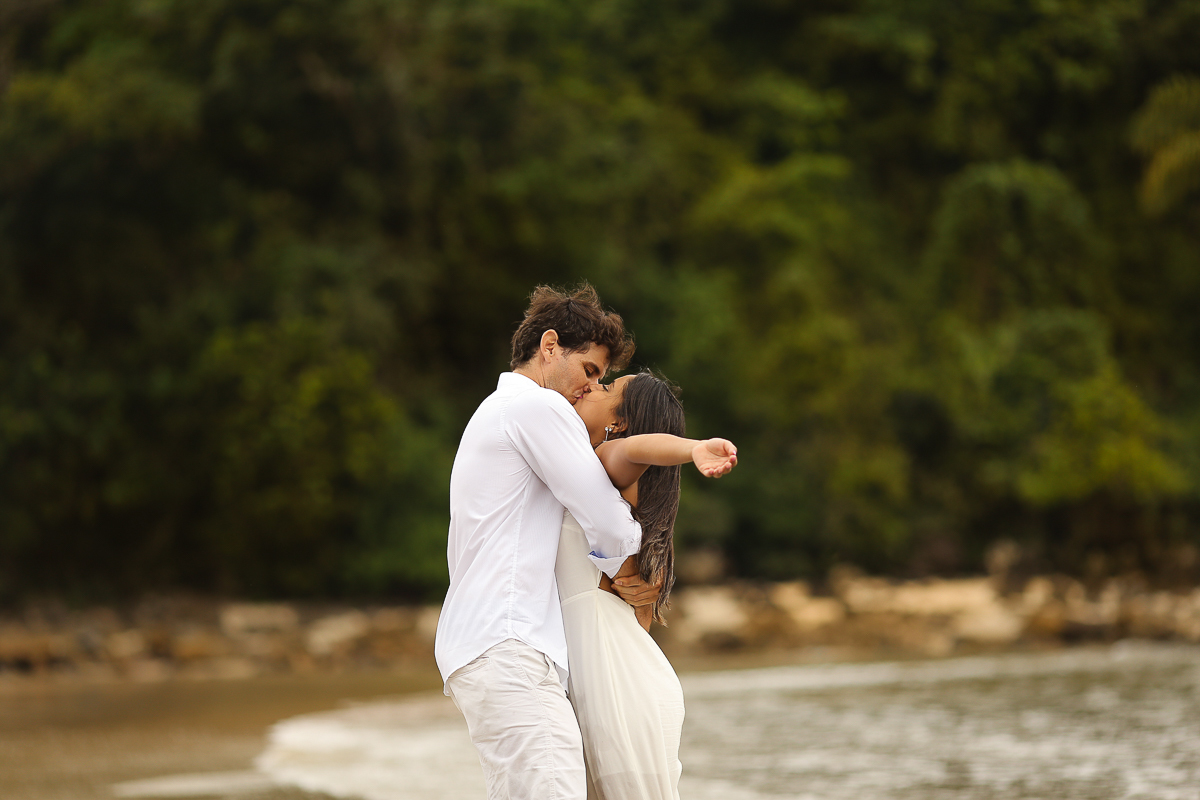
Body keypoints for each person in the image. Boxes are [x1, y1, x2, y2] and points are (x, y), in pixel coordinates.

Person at [434, 284, 660, 800]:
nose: (590, 388)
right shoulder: (536, 408)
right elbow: (605, 520)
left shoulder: (495, 411)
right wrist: (630, 556)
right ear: (550, 346)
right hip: (508, 641)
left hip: (488, 643)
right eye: (590, 372)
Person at [559, 371, 737, 799]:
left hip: (614, 680)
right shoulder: (589, 476)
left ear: (619, 422)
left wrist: (694, 448)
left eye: (608, 387)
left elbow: (639, 447)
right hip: (618, 672)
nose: (594, 386)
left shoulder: (604, 459)